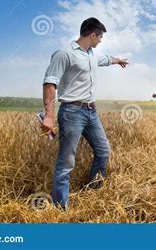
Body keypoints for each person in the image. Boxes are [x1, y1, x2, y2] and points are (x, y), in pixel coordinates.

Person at [41, 17, 129, 210]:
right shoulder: (64, 54)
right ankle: (60, 208)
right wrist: (48, 115)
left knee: (104, 151)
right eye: (101, 37)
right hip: (72, 112)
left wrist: (118, 61)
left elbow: (106, 60)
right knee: (66, 162)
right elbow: (50, 83)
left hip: (91, 111)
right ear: (92, 35)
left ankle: (93, 192)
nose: (101, 40)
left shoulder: (91, 55)